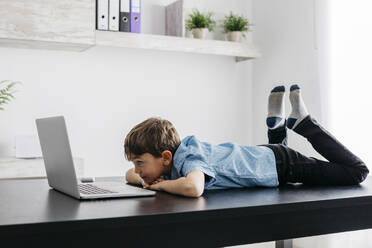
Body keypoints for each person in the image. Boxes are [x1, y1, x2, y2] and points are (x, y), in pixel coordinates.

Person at [124, 84, 369, 197]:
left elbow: (193, 188)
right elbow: (128, 175)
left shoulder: (189, 159)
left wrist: (159, 185)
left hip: (282, 165)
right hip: (267, 158)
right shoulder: (174, 157)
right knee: (278, 159)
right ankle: (277, 126)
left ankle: (305, 124)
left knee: (357, 171)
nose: (137, 169)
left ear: (165, 157)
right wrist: (143, 177)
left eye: (139, 162)